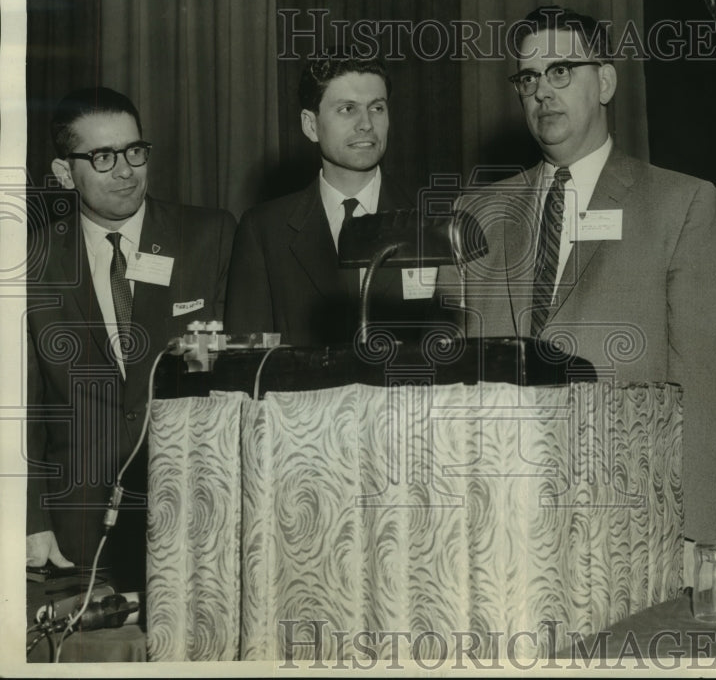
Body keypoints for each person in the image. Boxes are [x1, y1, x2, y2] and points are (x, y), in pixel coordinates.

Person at [447, 6, 716, 550]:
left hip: (631, 527)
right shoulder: (477, 214)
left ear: (605, 81)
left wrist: (695, 539)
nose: (542, 90)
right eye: (528, 77)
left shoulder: (683, 205)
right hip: (497, 527)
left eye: (562, 71)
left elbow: (710, 393)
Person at [26, 87, 236, 590]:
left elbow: (233, 377)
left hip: (195, 514)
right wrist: (29, 518)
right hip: (71, 533)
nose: (126, 170)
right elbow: (20, 405)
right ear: (62, 173)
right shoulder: (31, 260)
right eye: (103, 157)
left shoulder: (210, 237)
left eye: (134, 151)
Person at [225, 57, 435, 346]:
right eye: (347, 109)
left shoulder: (432, 216)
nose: (366, 124)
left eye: (377, 108)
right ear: (310, 125)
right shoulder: (263, 231)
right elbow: (245, 364)